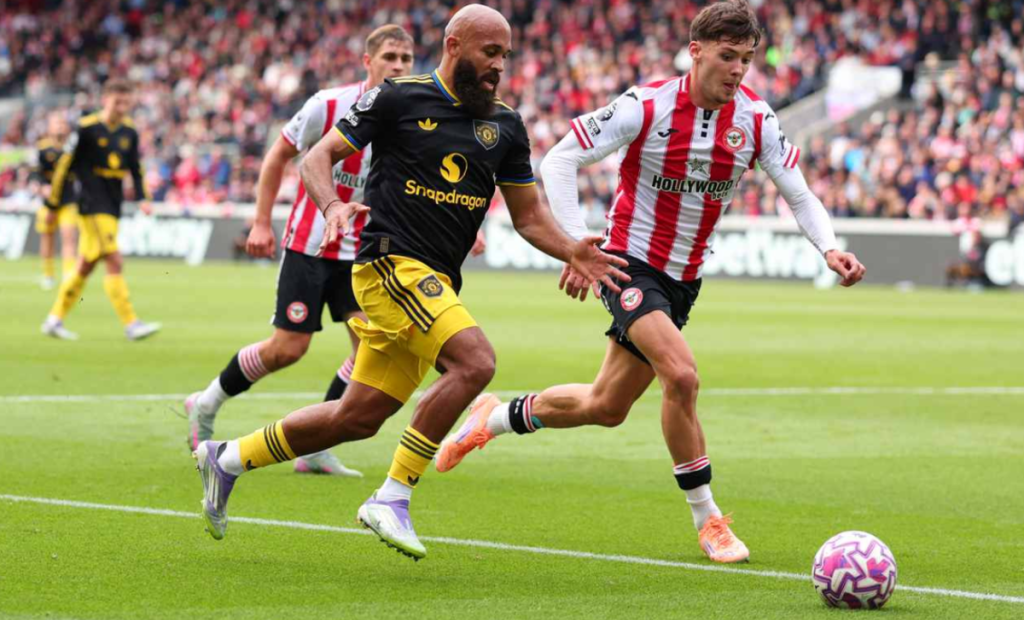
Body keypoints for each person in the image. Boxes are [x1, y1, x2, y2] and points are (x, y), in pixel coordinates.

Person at [190, 3, 629, 560]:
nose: (499, 65)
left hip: (435, 280)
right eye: (489, 52)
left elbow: (528, 217)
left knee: (356, 418)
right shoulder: (398, 97)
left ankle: (227, 458)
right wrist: (331, 206)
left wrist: (573, 249)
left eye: (505, 55)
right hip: (389, 266)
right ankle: (392, 496)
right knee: (475, 363)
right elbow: (316, 158)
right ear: (454, 45)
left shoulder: (507, 125)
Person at [436, 0, 866, 564]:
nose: (738, 69)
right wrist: (578, 245)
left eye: (747, 59)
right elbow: (561, 160)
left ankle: (492, 418)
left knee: (606, 405)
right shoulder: (647, 105)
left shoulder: (757, 120)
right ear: (696, 51)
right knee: (681, 375)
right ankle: (709, 520)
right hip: (629, 265)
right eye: (728, 56)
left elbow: (800, 194)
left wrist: (830, 247)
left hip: (684, 281)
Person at [183, 25, 416, 477]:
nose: (399, 66)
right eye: (390, 56)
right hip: (310, 244)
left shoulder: (411, 117)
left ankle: (316, 447)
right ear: (368, 61)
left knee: (370, 350)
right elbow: (277, 156)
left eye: (406, 59)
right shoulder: (327, 105)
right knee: (288, 349)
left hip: (362, 252)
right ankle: (206, 402)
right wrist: (259, 222)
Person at [40, 79, 161, 341]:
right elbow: (64, 166)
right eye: (118, 102)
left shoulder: (129, 132)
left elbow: (136, 168)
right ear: (105, 100)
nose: (122, 107)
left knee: (85, 265)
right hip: (91, 204)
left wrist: (143, 197)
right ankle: (131, 323)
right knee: (114, 259)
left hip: (113, 204)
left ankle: (54, 319)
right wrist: (52, 203)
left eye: (126, 102)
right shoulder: (86, 128)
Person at [33, 111, 79, 290]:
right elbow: (35, 173)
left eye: (62, 123)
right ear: (49, 127)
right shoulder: (42, 148)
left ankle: (68, 274)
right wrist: (40, 186)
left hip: (69, 200)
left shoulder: (73, 148)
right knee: (47, 237)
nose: (60, 126)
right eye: (56, 123)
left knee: (69, 236)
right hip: (47, 202)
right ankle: (48, 274)